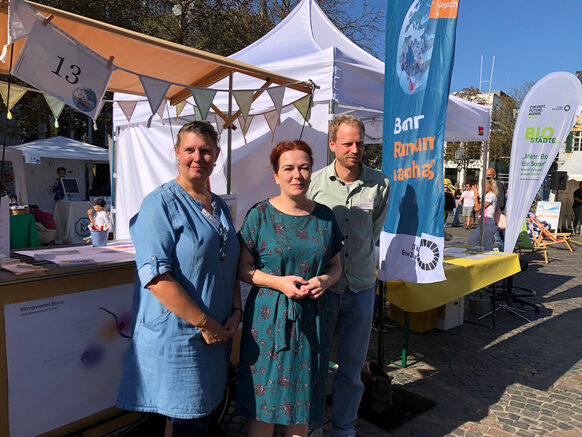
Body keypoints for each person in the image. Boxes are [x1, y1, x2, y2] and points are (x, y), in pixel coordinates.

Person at [117, 121, 242, 437]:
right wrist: (204, 322)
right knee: (189, 418)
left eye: (205, 151)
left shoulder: (220, 206)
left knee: (201, 415)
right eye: (190, 150)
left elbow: (229, 262)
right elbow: (156, 277)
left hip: (214, 334)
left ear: (216, 156)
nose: (197, 157)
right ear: (177, 153)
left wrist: (236, 311)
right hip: (179, 336)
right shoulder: (158, 204)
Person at [236, 140, 343, 437]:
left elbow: (336, 265)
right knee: (265, 405)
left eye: (304, 167)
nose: (297, 175)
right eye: (289, 168)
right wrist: (278, 282)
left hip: (312, 320)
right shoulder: (260, 215)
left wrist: (326, 280)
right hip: (268, 321)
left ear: (311, 172)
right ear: (276, 174)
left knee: (302, 403)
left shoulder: (325, 217)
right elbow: (242, 269)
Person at [307, 115, 390, 437]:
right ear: (332, 145)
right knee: (315, 364)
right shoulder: (315, 183)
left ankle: (343, 427)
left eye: (360, 142)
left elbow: (373, 230)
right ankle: (312, 424)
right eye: (347, 143)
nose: (355, 149)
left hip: (362, 288)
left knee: (352, 368)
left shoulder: (380, 183)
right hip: (325, 289)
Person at [468, 180, 498, 251]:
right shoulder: (487, 196)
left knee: (488, 248)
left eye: (484, 185)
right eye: (482, 185)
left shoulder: (491, 196)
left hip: (488, 224)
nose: (482, 187)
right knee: (471, 244)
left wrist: (475, 195)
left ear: (489, 186)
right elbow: (476, 208)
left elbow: (477, 208)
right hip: (482, 224)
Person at [487, 168, 506, 250]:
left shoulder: (497, 184)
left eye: (489, 175)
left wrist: (495, 210)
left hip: (495, 217)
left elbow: (501, 201)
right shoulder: (488, 184)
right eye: (486, 175)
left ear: (494, 175)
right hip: (490, 217)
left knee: (498, 239)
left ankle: (504, 255)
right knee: (491, 239)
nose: (487, 177)